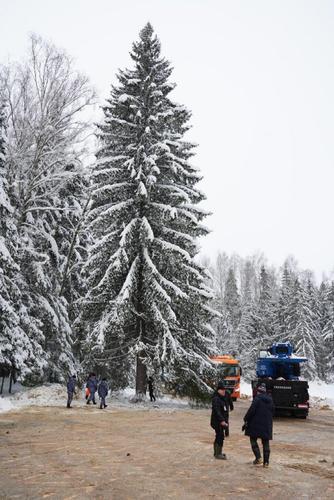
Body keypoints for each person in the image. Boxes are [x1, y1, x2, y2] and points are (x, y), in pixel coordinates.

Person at [243, 383, 274, 467]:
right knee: (265, 442)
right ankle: (266, 462)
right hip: (266, 425)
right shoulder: (270, 400)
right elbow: (272, 412)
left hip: (255, 424)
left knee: (253, 439)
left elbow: (251, 411)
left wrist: (245, 419)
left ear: (259, 392)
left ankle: (258, 458)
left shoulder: (257, 399)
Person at [210, 381, 229, 459]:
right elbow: (217, 411)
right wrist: (222, 420)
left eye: (224, 389)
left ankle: (218, 452)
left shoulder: (222, 398)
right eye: (222, 389)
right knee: (219, 436)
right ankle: (218, 454)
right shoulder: (216, 399)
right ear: (218, 390)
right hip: (217, 422)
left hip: (221, 421)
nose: (224, 391)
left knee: (220, 436)